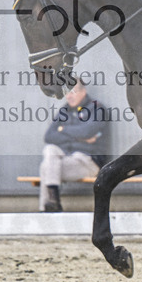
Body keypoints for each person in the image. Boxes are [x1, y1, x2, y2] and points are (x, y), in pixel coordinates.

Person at [39, 81, 109, 212]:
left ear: (83, 92)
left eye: (73, 91)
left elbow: (86, 131)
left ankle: (47, 209)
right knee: (49, 150)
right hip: (65, 159)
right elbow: (48, 136)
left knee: (46, 167)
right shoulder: (65, 110)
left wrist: (62, 129)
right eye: (66, 93)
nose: (69, 96)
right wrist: (79, 138)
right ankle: (52, 203)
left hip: (88, 162)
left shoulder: (97, 108)